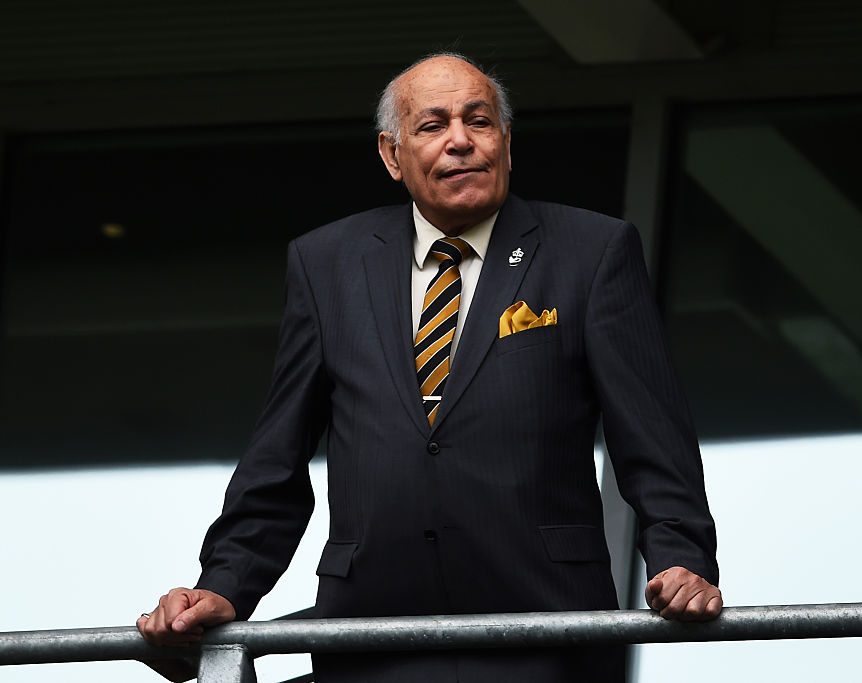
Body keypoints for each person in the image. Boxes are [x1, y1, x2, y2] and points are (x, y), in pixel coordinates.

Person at [137, 52, 721, 683]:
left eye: (480, 121)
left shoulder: (593, 250)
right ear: (392, 155)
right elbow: (277, 457)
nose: (461, 141)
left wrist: (681, 558)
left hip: (544, 630)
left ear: (505, 141)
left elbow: (652, 438)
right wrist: (226, 586)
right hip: (369, 636)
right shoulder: (327, 261)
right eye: (433, 125)